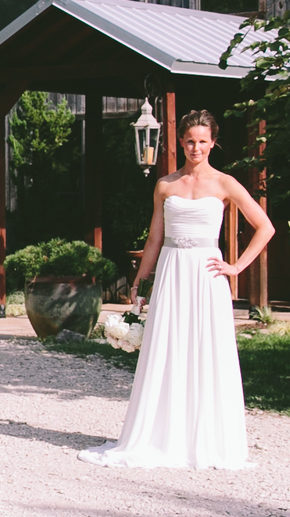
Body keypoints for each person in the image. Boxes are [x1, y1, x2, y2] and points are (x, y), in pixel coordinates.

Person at [78, 109, 274, 469]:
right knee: (167, 347)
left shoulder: (226, 183)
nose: (195, 147)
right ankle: (160, 433)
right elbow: (155, 237)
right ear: (180, 143)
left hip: (207, 274)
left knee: (206, 348)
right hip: (171, 270)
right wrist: (140, 280)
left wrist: (235, 267)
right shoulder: (166, 184)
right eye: (189, 141)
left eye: (202, 141)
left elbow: (265, 227)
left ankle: (206, 438)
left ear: (213, 143)